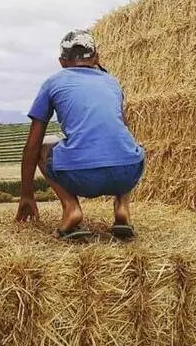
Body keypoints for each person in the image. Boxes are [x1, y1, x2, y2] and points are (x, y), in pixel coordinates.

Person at [15, 29, 145, 240]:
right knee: (126, 144)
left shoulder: (52, 83)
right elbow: (124, 129)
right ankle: (122, 207)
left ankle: (71, 208)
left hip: (80, 177)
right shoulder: (112, 82)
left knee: (45, 144)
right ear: (96, 57)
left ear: (61, 61)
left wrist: (27, 195)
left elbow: (32, 144)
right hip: (127, 173)